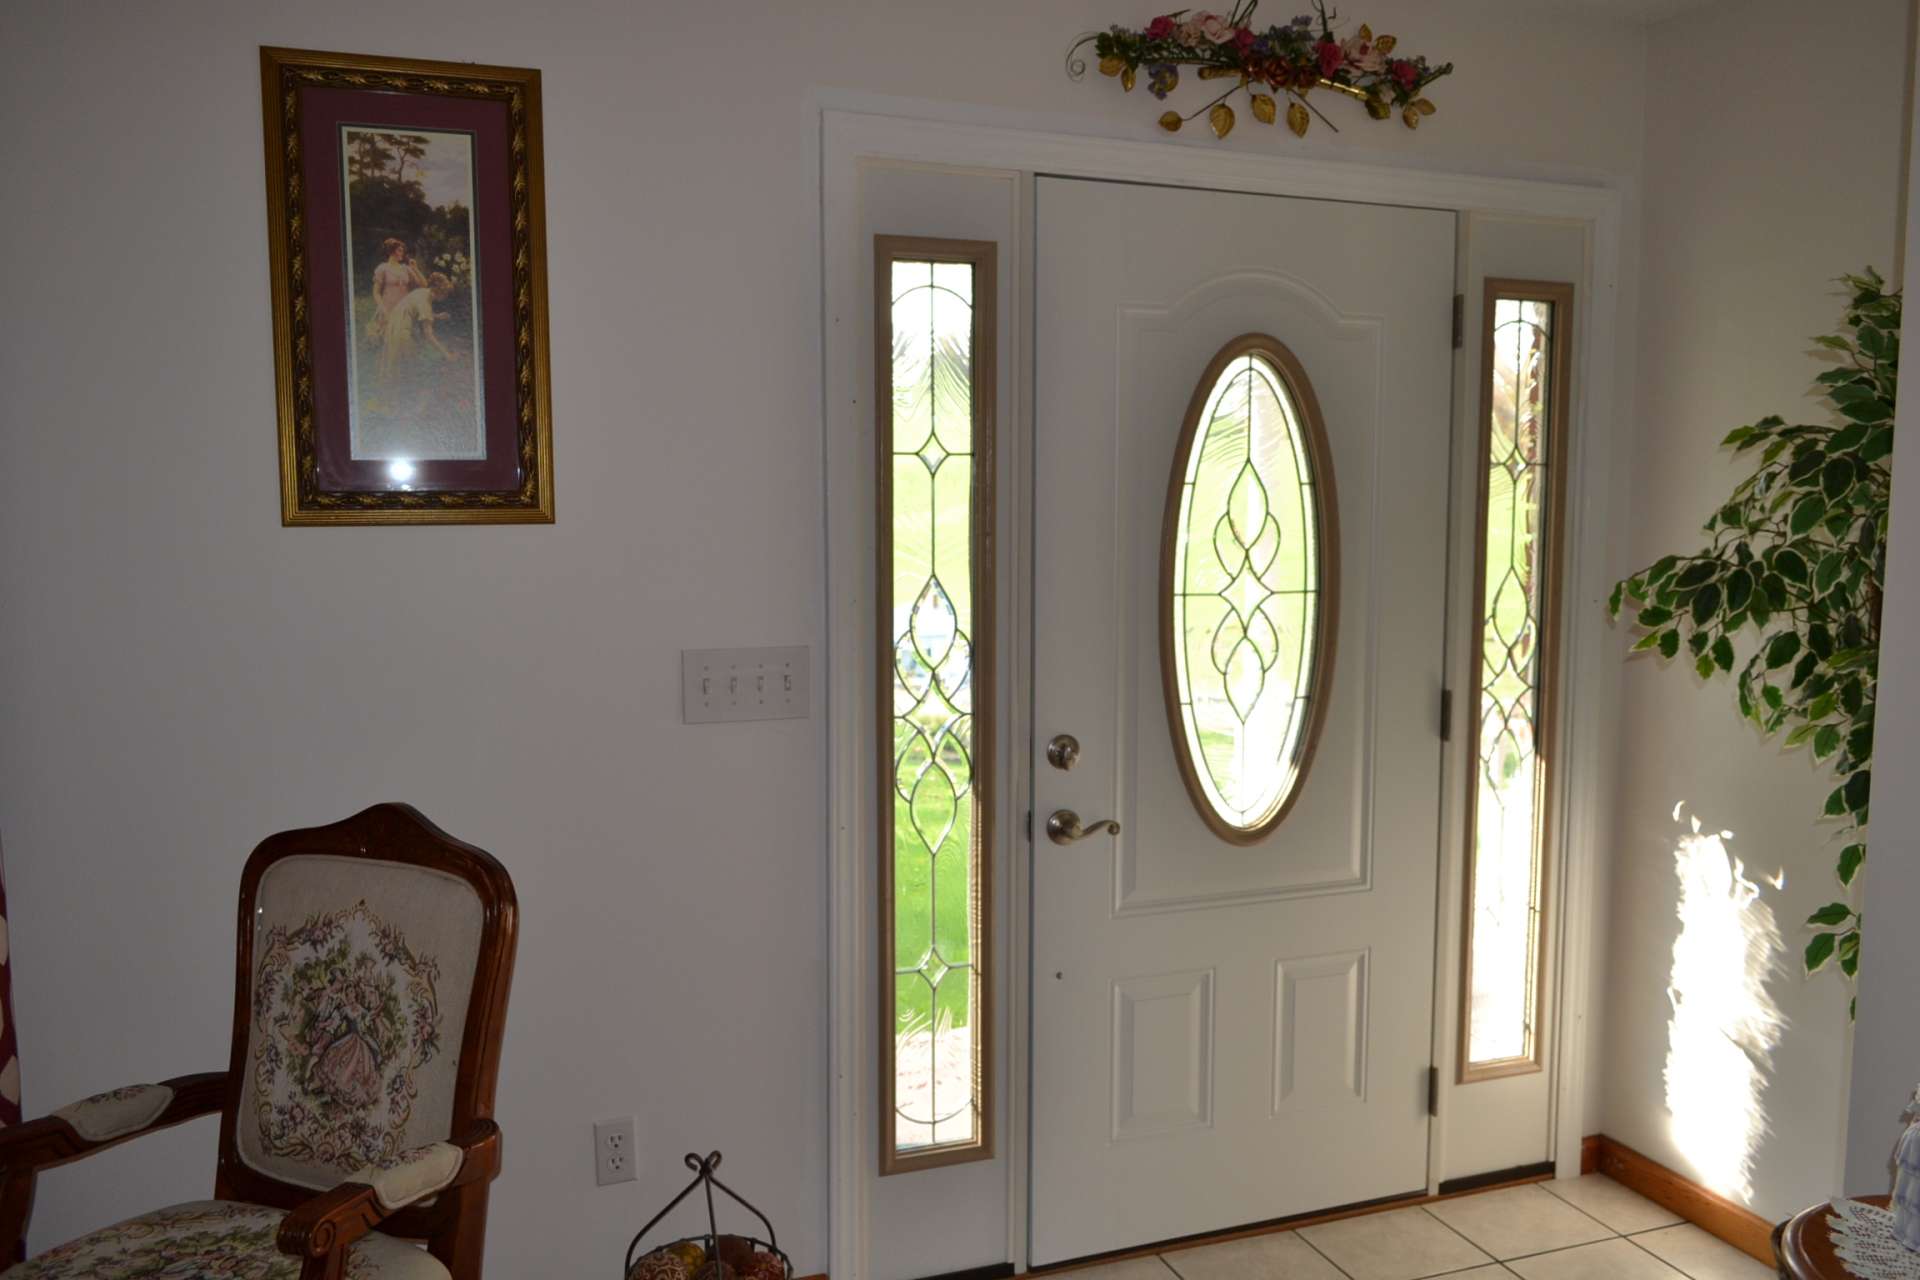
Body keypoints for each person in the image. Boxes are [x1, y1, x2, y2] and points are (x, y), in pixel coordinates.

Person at [378, 271, 460, 390]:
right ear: (440, 293)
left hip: (397, 322)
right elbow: (429, 334)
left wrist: (436, 316)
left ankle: (398, 391)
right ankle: (402, 393)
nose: (445, 298)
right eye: (445, 295)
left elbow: (418, 310)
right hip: (401, 328)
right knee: (406, 362)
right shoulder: (425, 302)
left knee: (402, 361)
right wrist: (447, 354)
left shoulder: (423, 292)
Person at [367, 238, 427, 342]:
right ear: (391, 251)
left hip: (404, 307)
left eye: (402, 250)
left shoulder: (406, 268)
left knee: (404, 338)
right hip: (388, 306)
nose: (402, 253)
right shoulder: (383, 268)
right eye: (399, 250)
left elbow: (424, 285)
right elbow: (376, 292)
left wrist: (415, 268)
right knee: (388, 339)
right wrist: (383, 309)